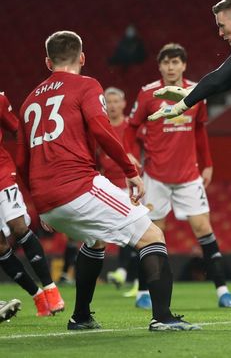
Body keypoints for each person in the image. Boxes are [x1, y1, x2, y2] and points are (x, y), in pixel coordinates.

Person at [16, 30, 198, 331]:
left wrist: (39, 203)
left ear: (48, 62)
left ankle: (81, 316)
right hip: (78, 186)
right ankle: (163, 317)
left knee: (95, 241)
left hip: (47, 201)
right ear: (82, 58)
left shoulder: (28, 101)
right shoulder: (86, 85)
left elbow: (22, 162)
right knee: (151, 235)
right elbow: (102, 131)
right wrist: (131, 170)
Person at [125, 43, 231, 309]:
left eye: (176, 62)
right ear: (160, 66)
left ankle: (223, 291)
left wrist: (207, 164)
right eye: (166, 63)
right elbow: (131, 129)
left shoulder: (196, 92)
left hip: (189, 176)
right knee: (154, 233)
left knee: (203, 229)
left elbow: (200, 130)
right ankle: (143, 292)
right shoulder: (147, 94)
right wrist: (130, 155)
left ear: (184, 65)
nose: (171, 67)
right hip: (156, 176)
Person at [0, 91, 65, 316]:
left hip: (2, 174)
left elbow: (18, 130)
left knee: (17, 225)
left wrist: (33, 159)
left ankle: (51, 289)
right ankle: (38, 297)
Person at [99, 87, 141, 295]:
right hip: (107, 188)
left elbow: (149, 151)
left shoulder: (132, 128)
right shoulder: (101, 128)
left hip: (131, 187)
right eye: (109, 102)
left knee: (133, 231)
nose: (113, 106)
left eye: (117, 101)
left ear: (124, 104)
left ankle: (128, 275)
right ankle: (127, 275)